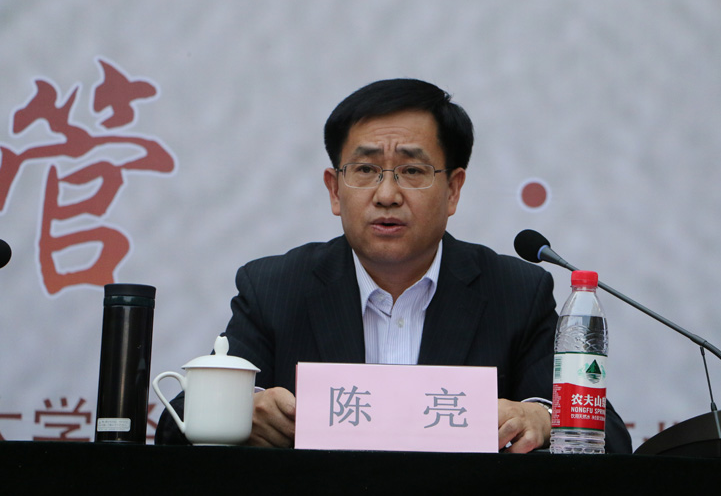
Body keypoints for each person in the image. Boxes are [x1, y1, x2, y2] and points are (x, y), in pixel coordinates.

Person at [156, 78, 632, 453]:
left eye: (412, 171)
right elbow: (175, 426)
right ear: (334, 190)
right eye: (365, 170)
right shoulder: (275, 288)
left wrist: (543, 417)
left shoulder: (515, 291)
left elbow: (609, 436)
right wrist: (243, 412)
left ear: (453, 190)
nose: (386, 194)